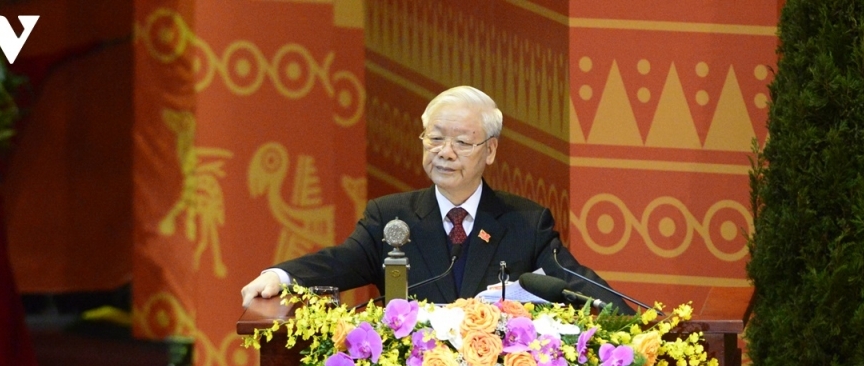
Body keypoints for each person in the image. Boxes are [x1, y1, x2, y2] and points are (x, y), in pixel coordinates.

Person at [239, 85, 631, 312]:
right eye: (435, 138)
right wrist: (281, 275)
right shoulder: (391, 216)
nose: (445, 152)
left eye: (461, 142)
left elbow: (571, 279)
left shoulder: (524, 222)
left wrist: (632, 325)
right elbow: (344, 262)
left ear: (490, 151)